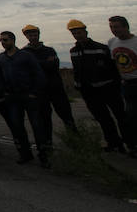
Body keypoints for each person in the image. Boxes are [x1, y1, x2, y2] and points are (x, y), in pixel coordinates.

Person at [68, 19, 132, 154]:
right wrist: (78, 86)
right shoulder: (73, 51)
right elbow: (77, 71)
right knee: (103, 119)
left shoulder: (101, 48)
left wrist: (116, 84)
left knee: (121, 117)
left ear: (85, 32)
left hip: (108, 89)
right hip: (89, 93)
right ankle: (114, 143)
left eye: (79, 32)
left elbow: (113, 68)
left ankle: (131, 144)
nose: (77, 35)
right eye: (74, 33)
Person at [0, 30, 49, 167]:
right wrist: (5, 92)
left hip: (28, 95)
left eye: (5, 40)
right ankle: (25, 154)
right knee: (17, 126)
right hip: (12, 97)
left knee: (37, 126)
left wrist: (34, 92)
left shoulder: (26, 56)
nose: (3, 43)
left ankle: (44, 155)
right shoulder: (1, 58)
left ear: (13, 40)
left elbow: (38, 74)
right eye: (1, 40)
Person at [22, 24, 77, 141]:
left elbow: (53, 66)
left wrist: (36, 64)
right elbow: (28, 71)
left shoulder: (49, 50)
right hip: (40, 92)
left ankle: (76, 141)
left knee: (67, 116)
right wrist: (44, 63)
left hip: (56, 89)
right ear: (26, 36)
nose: (33, 37)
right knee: (44, 120)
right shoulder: (24, 53)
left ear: (38, 34)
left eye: (34, 34)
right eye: (30, 34)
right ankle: (48, 145)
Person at [108, 15, 137, 156]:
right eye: (112, 27)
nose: (114, 30)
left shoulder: (135, 42)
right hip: (127, 84)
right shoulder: (112, 42)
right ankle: (133, 146)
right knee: (129, 117)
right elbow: (115, 62)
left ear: (126, 26)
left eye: (117, 27)